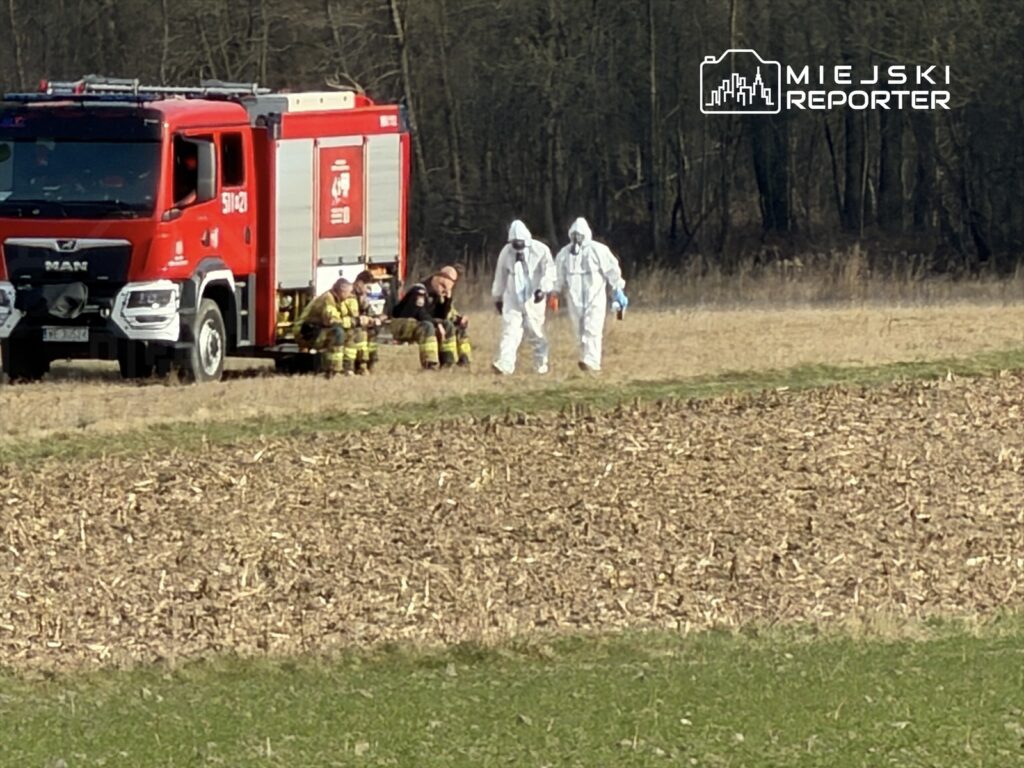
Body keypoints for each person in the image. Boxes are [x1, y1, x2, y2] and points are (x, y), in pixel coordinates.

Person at [553, 217, 627, 372]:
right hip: (574, 298)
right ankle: (584, 359)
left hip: (595, 296)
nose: (576, 238)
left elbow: (612, 271)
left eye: (579, 235)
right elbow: (558, 275)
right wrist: (555, 292)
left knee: (592, 328)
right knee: (578, 330)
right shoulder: (564, 254)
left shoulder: (599, 250)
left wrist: (617, 289)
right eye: (574, 235)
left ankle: (592, 361)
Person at [490, 219, 554, 375]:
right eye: (514, 243)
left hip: (533, 297)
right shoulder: (506, 252)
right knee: (510, 331)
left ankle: (541, 364)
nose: (517, 247)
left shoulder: (541, 250)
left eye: (520, 243)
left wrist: (543, 289)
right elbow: (500, 275)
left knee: (534, 331)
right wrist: (497, 297)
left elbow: (550, 271)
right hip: (512, 297)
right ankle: (505, 365)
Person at [291, 278, 361, 376]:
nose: (350, 295)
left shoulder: (340, 299)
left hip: (319, 330)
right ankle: (334, 370)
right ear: (342, 290)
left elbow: (347, 318)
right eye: (349, 292)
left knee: (351, 332)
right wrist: (354, 321)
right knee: (337, 333)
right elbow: (332, 321)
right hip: (306, 333)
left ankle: (348, 368)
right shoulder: (327, 299)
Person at [390, 271, 457, 369]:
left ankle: (448, 361)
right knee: (428, 326)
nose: (443, 290)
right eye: (443, 286)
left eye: (446, 290)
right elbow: (419, 312)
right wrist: (437, 324)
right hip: (402, 323)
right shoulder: (419, 291)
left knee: (447, 324)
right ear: (436, 278)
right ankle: (430, 363)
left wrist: (447, 299)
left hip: (417, 324)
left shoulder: (436, 295)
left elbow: (441, 316)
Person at [432, 264, 472, 367]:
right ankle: (447, 360)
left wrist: (459, 319)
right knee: (448, 325)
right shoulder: (431, 292)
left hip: (443, 320)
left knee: (461, 329)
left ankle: (465, 358)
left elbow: (450, 311)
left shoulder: (446, 294)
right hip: (434, 321)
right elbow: (437, 313)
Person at [353, 270, 385, 373]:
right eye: (367, 287)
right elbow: (355, 316)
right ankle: (361, 365)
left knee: (372, 331)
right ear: (359, 283)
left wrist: (377, 318)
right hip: (349, 325)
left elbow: (369, 312)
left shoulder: (362, 296)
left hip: (357, 324)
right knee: (361, 333)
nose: (368, 291)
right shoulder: (350, 295)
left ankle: (371, 362)